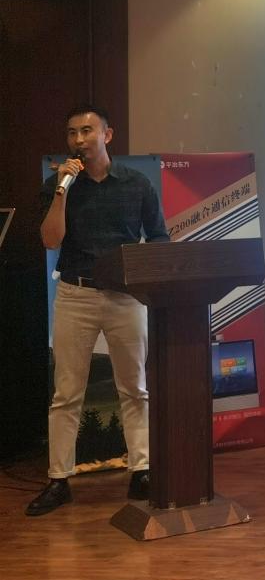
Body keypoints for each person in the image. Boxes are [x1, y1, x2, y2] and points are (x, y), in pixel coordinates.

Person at [25, 105, 169, 516]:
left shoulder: (136, 183)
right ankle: (59, 480)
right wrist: (62, 189)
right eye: (72, 133)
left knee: (134, 387)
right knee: (66, 393)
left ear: (107, 135)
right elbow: (50, 241)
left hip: (126, 297)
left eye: (87, 131)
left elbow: (158, 237)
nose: (78, 139)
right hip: (76, 295)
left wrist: (147, 284)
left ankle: (142, 470)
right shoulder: (59, 184)